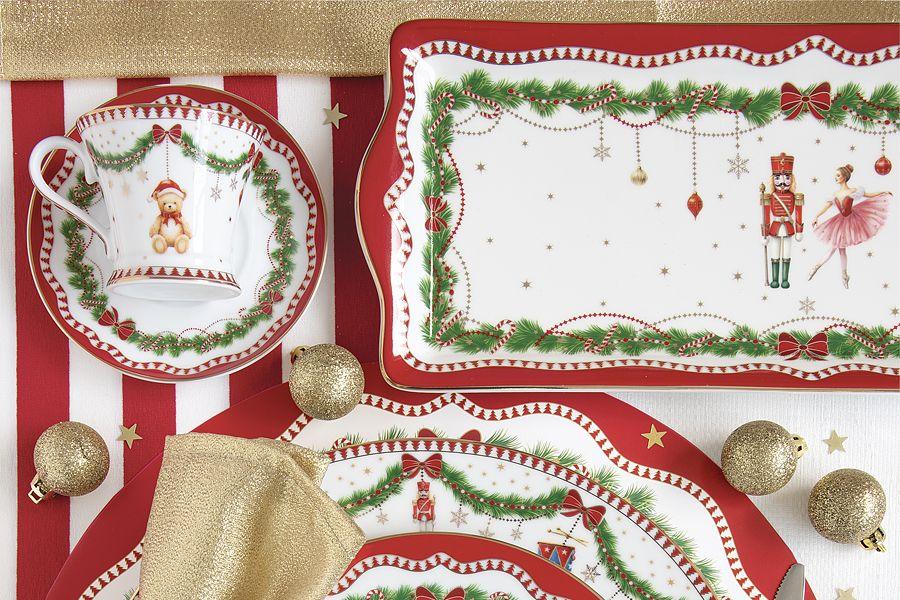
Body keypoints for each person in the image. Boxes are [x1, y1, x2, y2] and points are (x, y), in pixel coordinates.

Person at [808, 164, 891, 289]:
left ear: (844, 177)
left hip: (851, 221)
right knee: (838, 249)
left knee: (838, 249)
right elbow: (826, 206)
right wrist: (816, 216)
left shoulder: (853, 191)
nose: (836, 178)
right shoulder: (835, 194)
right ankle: (841, 275)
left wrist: (883, 192)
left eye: (838, 175)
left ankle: (825, 270)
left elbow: (869, 195)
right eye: (836, 176)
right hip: (839, 223)